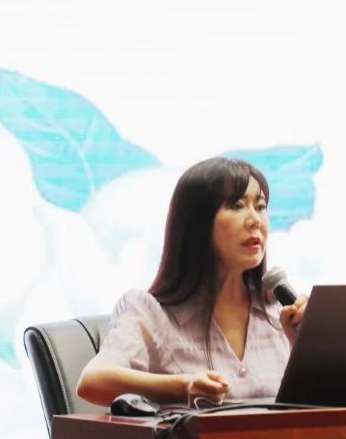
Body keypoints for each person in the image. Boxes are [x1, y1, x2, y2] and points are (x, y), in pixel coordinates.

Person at [77, 157, 307, 407]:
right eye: (236, 205)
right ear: (198, 222)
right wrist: (183, 386)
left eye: (260, 207)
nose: (255, 220)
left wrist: (307, 345)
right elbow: (93, 381)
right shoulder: (150, 314)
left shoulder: (281, 315)